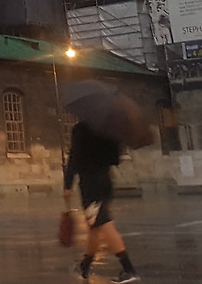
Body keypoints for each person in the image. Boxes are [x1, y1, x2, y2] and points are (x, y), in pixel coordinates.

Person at [64, 120, 139, 284]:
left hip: (91, 186)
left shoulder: (82, 129)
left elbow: (74, 157)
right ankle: (84, 267)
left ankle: (128, 269)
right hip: (105, 182)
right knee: (95, 227)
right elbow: (115, 158)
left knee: (105, 225)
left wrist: (68, 184)